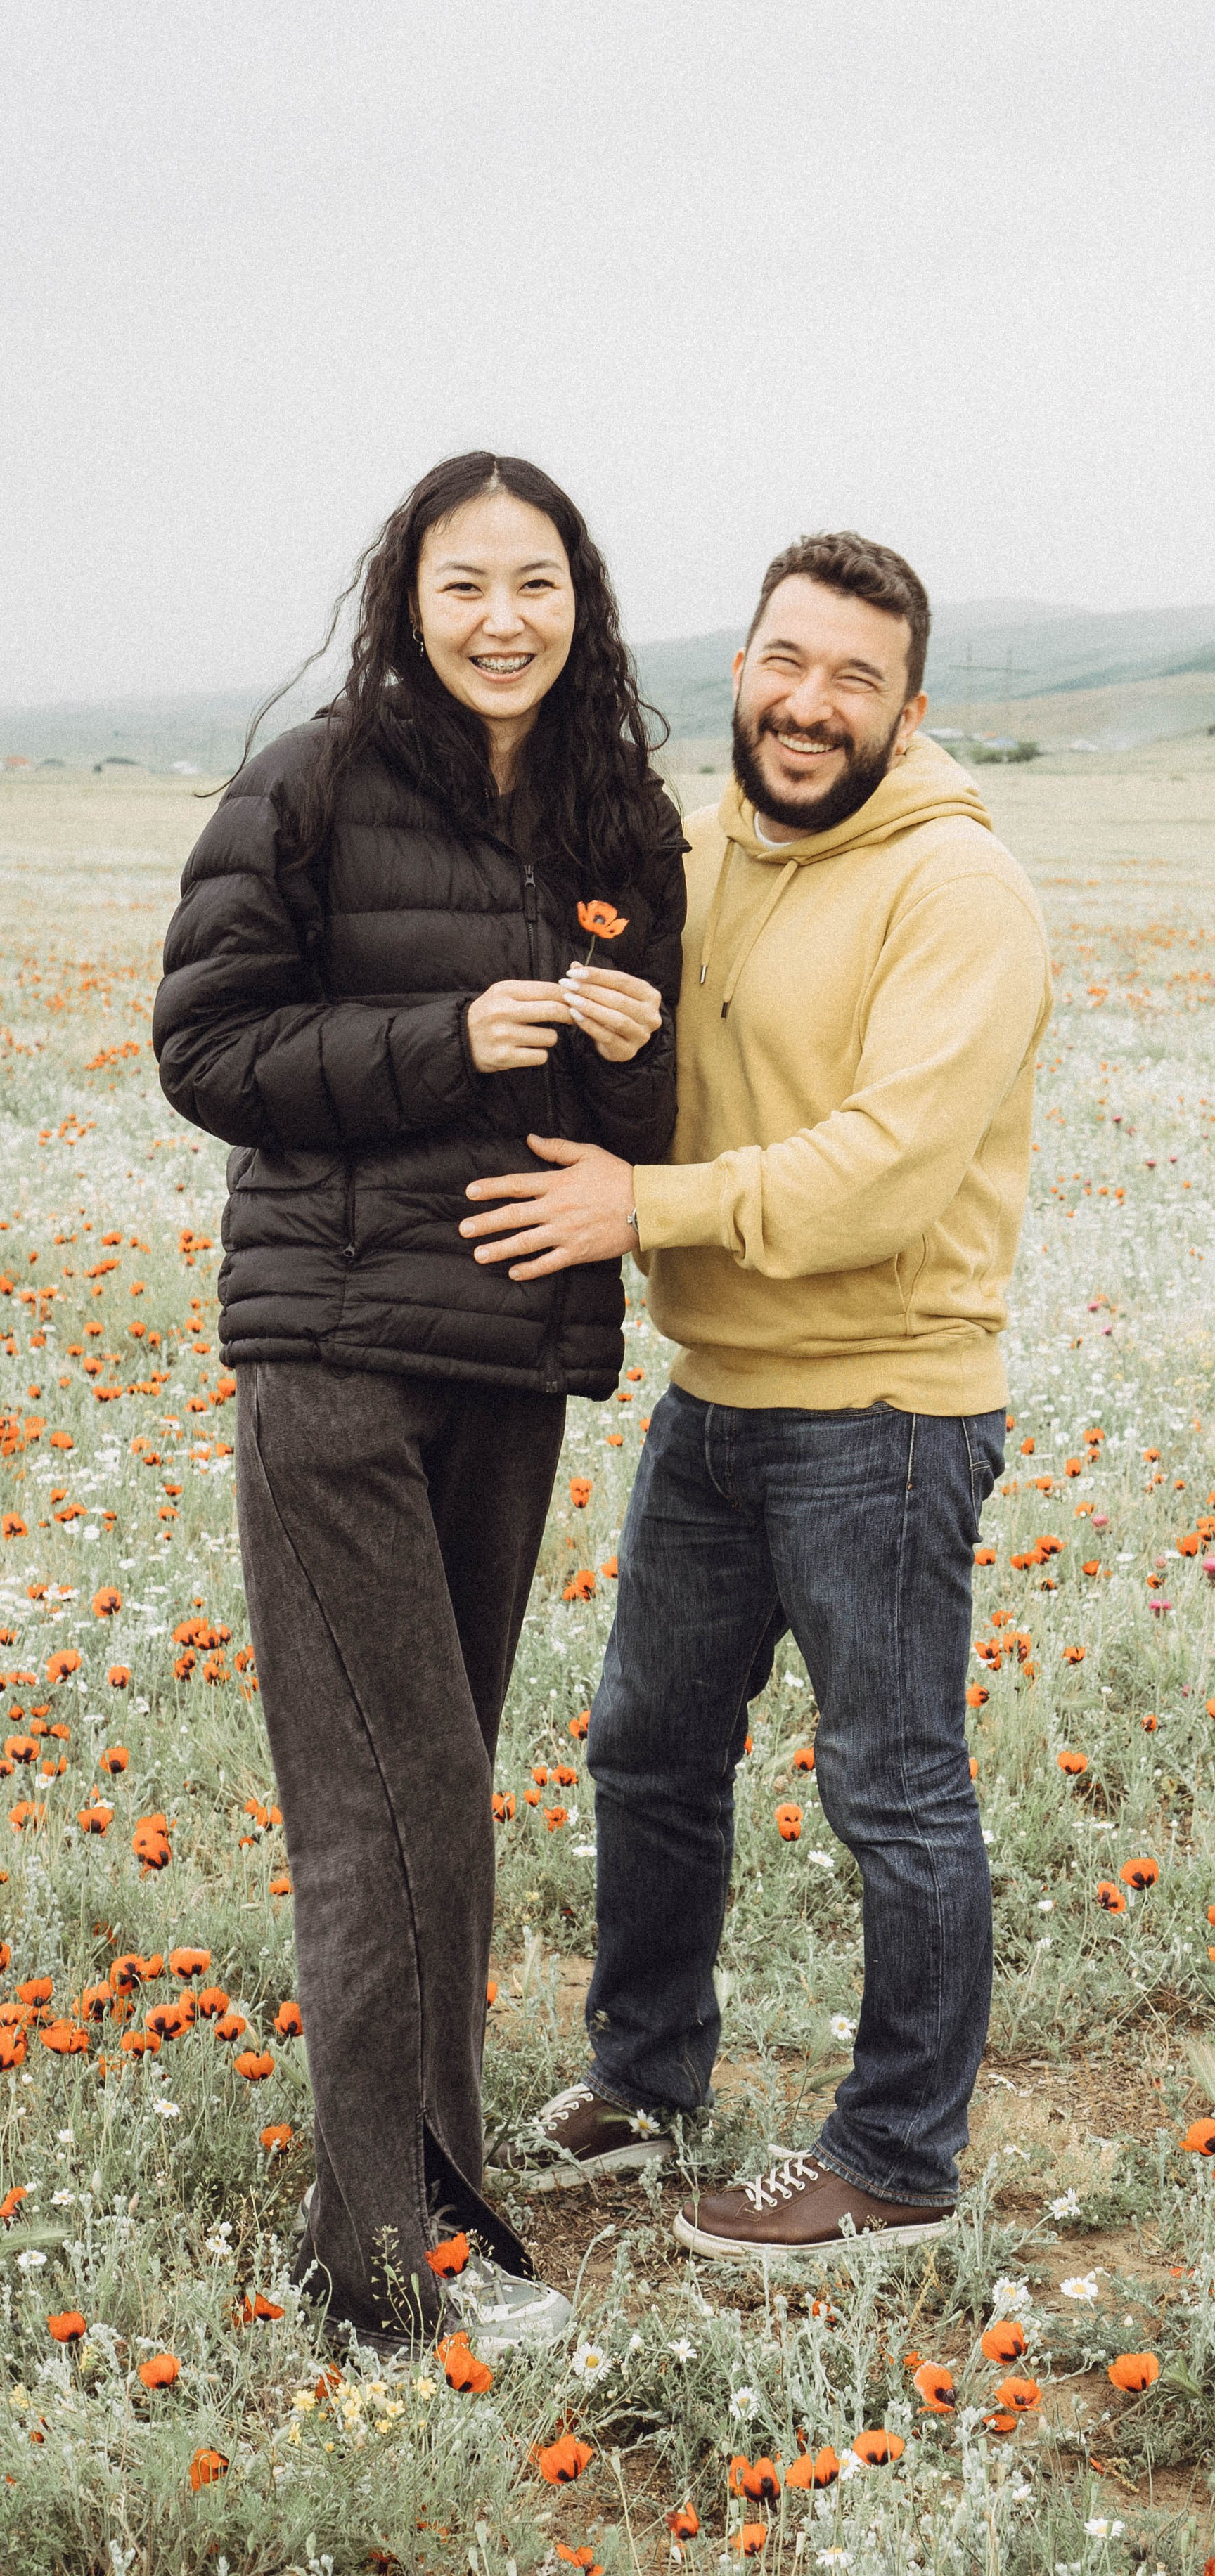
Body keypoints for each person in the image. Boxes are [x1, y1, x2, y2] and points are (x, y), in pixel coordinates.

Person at [153, 453, 685, 2348]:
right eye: (465, 584)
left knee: (438, 1780)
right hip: (334, 1346)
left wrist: (624, 1058)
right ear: (408, 596)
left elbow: (639, 1128)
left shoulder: (619, 818)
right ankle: (392, 2263)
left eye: (533, 583)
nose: (501, 620)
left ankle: (415, 2189)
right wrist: (446, 1032)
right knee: (403, 1799)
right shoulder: (308, 782)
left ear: (580, 600)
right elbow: (205, 1048)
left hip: (510, 1354)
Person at [475, 531, 1052, 2257]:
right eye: (784, 664)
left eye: (853, 680)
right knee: (649, 1752)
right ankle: (646, 2078)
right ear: (737, 666)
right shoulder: (692, 846)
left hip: (884, 1409)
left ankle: (895, 2162)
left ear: (908, 706)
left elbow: (878, 1174)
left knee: (891, 1787)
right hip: (715, 1394)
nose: (809, 707)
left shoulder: (960, 894)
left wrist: (637, 1208)